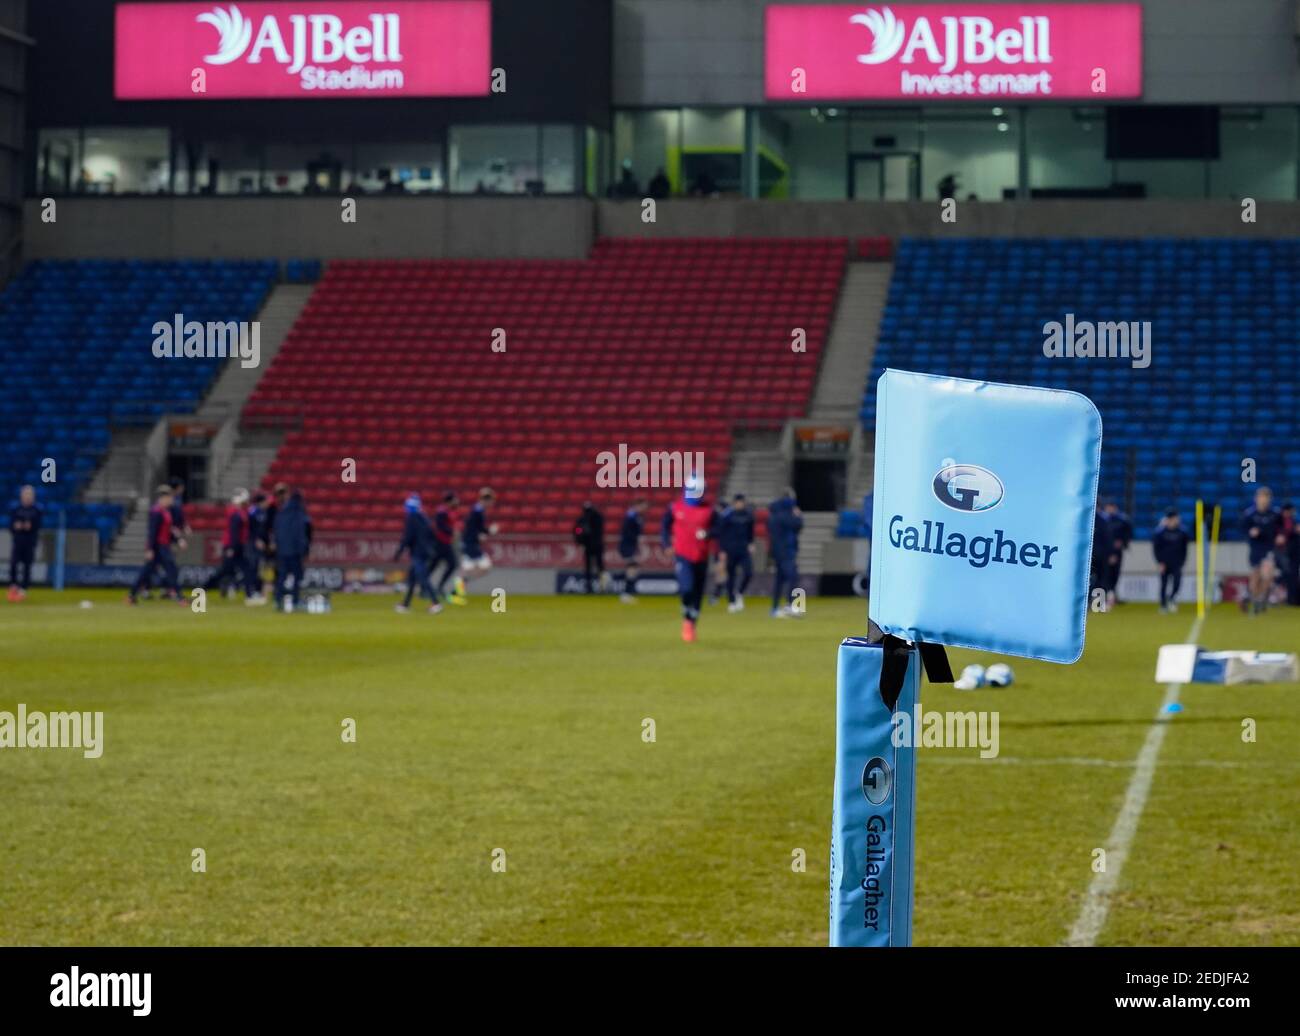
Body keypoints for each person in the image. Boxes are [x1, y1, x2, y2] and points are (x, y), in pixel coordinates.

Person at [662, 475, 716, 642]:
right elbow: (664, 526)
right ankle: (686, 613)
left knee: (698, 593)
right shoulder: (675, 508)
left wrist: (708, 534)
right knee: (687, 589)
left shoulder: (710, 511)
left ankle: (690, 625)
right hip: (683, 555)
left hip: (701, 556)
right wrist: (666, 545)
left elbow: (719, 530)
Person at [128, 485, 184, 605]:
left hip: (163, 546)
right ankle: (180, 598)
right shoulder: (156, 512)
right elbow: (152, 532)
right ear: (164, 498)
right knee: (170, 570)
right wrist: (149, 549)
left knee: (148, 572)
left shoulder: (165, 512)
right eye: (169, 498)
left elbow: (168, 531)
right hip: (159, 547)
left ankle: (131, 595)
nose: (171, 501)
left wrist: (177, 540)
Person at [394, 493, 441, 614]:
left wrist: (399, 551)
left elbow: (408, 536)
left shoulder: (412, 517)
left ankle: (435, 602)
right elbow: (432, 534)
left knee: (423, 578)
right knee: (413, 577)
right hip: (425, 551)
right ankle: (406, 604)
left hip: (417, 552)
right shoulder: (423, 517)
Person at [1241, 486, 1282, 615]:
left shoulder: (1275, 514)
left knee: (1267, 575)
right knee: (1256, 575)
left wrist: (1281, 536)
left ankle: (1258, 599)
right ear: (1256, 499)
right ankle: (1253, 597)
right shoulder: (1250, 514)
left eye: (1266, 497)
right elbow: (1242, 529)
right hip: (1255, 548)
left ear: (1270, 499)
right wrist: (1250, 532)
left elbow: (1282, 528)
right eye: (1261, 497)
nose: (1264, 500)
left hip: (1269, 548)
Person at [205, 489, 250, 597]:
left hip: (236, 545)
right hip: (233, 546)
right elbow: (233, 531)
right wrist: (231, 548)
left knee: (240, 569)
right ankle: (204, 587)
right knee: (225, 571)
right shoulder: (235, 513)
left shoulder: (238, 512)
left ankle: (248, 592)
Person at [273, 490, 312, 612]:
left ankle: (278, 600)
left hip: (283, 551)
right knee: (297, 577)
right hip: (295, 552)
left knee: (282, 577)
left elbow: (276, 532)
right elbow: (300, 535)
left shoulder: (281, 512)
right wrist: (304, 550)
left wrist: (279, 547)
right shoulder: (299, 514)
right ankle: (295, 601)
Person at [767, 488, 803, 618]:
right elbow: (797, 526)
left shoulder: (774, 514)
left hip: (778, 551)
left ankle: (775, 608)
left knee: (780, 580)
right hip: (786, 550)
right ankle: (792, 606)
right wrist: (798, 516)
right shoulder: (787, 514)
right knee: (793, 577)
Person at [717, 493, 755, 613]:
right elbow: (721, 534)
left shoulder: (748, 515)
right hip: (730, 550)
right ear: (734, 503)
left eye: (742, 502)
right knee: (731, 577)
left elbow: (750, 532)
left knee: (748, 572)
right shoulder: (727, 516)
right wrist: (722, 550)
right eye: (738, 502)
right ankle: (731, 602)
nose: (740, 504)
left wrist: (751, 543)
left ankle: (739, 593)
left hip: (743, 550)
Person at [459, 487, 498, 595]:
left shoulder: (476, 510)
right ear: (487, 500)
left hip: (470, 542)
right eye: (491, 500)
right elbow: (479, 528)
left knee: (467, 568)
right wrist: (489, 531)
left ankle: (459, 588)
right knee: (485, 566)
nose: (492, 503)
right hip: (471, 543)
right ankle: (460, 586)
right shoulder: (478, 511)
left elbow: (473, 527)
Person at [7, 484, 42, 602]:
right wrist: (16, 527)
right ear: (21, 496)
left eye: (29, 495)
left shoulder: (36, 510)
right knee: (13, 564)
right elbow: (11, 526)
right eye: (25, 494)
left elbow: (38, 527)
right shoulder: (16, 510)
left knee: (27, 566)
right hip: (18, 542)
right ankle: (13, 587)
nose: (27, 497)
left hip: (30, 542)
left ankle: (23, 590)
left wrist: (30, 528)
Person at [1152, 508, 1190, 613]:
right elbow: (1156, 549)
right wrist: (1160, 562)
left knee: (1177, 582)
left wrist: (1182, 561)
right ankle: (1163, 605)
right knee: (1164, 584)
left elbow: (1185, 548)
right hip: (1164, 563)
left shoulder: (1182, 532)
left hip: (1177, 562)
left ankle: (1172, 598)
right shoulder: (1160, 532)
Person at [431, 491, 464, 606]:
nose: (457, 502)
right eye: (455, 499)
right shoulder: (442, 512)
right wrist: (452, 532)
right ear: (450, 501)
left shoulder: (449, 511)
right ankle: (433, 588)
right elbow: (440, 526)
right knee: (448, 564)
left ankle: (435, 588)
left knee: (437, 565)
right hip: (440, 543)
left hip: (445, 543)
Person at [1102, 500, 1133, 607]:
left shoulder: (1122, 520)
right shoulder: (1103, 520)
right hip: (1105, 552)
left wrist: (1123, 542)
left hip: (1117, 551)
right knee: (1105, 574)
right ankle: (1106, 597)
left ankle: (1112, 595)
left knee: (1115, 573)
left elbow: (1128, 533)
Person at [617, 499, 647, 604]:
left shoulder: (636, 516)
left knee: (632, 569)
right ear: (637, 505)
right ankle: (626, 593)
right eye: (643, 506)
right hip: (627, 546)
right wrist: (637, 538)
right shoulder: (631, 516)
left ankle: (627, 593)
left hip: (630, 546)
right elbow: (627, 531)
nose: (644, 509)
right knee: (632, 568)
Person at [573, 501, 606, 594]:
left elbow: (577, 531)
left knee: (593, 567)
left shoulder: (584, 519)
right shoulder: (597, 517)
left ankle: (593, 587)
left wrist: (580, 542)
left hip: (590, 545)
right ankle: (598, 587)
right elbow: (577, 531)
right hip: (595, 545)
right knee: (598, 567)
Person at [244, 491, 271, 605]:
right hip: (252, 544)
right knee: (252, 568)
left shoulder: (263, 512)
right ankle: (250, 593)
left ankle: (257, 591)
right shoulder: (253, 512)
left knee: (259, 569)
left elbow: (263, 530)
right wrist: (256, 540)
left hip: (260, 545)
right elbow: (250, 529)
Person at [1279, 501, 1300, 606]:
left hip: (1293, 553)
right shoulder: (1284, 522)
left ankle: (1293, 600)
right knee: (1291, 576)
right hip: (1289, 553)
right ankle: (1292, 600)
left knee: (1292, 576)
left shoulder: (1292, 521)